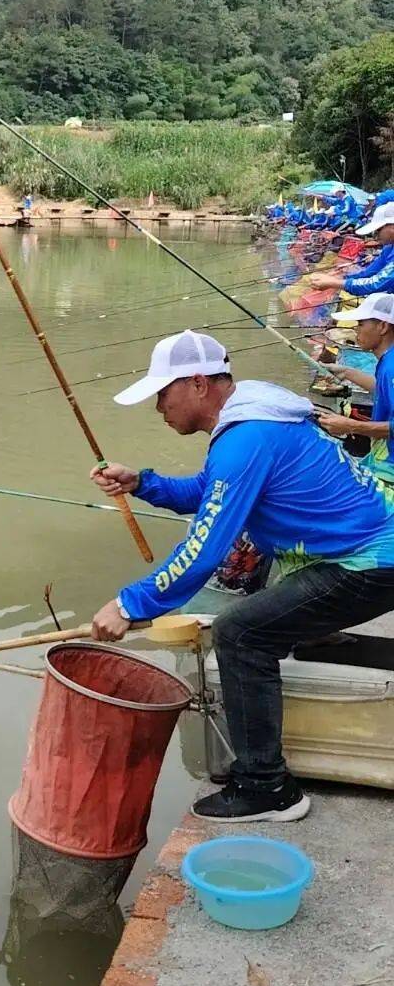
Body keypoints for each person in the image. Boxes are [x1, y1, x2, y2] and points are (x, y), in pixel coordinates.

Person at [89, 328, 394, 824]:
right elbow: (208, 493)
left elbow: (204, 550)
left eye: (162, 394)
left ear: (198, 384)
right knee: (286, 622)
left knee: (241, 633)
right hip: (374, 539)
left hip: (370, 559)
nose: (159, 408)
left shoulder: (246, 438)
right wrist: (143, 482)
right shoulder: (253, 417)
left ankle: (268, 788)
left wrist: (130, 604)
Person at [318, 292, 394, 484]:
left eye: (361, 324)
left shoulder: (391, 366)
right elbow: (384, 391)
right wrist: (346, 372)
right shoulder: (387, 362)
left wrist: (350, 425)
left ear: (383, 326)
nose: (355, 330)